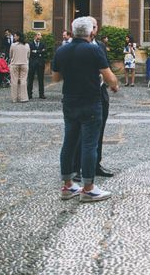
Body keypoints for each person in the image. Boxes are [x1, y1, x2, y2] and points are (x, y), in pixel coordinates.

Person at [52, 16, 119, 203]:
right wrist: (114, 84)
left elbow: (56, 78)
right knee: (89, 144)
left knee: (69, 142)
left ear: (72, 32)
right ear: (91, 32)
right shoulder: (93, 50)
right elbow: (109, 78)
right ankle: (88, 188)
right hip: (90, 101)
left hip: (69, 101)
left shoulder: (62, 50)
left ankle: (67, 185)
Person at [72, 17, 115, 179]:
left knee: (99, 131)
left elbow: (107, 66)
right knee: (78, 133)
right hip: (82, 95)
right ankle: (76, 168)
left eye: (95, 26)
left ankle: (95, 164)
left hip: (100, 93)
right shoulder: (75, 47)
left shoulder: (101, 46)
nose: (94, 29)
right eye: (92, 26)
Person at [9, 32, 30, 103]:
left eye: (15, 36)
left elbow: (10, 55)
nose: (14, 37)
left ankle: (14, 98)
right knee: (23, 81)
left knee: (14, 81)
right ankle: (23, 98)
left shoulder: (13, 45)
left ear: (18, 37)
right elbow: (28, 55)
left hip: (14, 64)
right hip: (24, 64)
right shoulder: (27, 45)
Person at [27, 32, 47, 99]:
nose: (40, 36)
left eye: (40, 35)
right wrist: (40, 51)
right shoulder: (30, 44)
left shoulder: (43, 43)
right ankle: (29, 94)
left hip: (40, 64)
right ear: (35, 36)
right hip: (32, 64)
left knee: (41, 80)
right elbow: (30, 52)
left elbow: (44, 51)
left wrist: (35, 51)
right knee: (30, 79)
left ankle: (41, 94)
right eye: (39, 35)